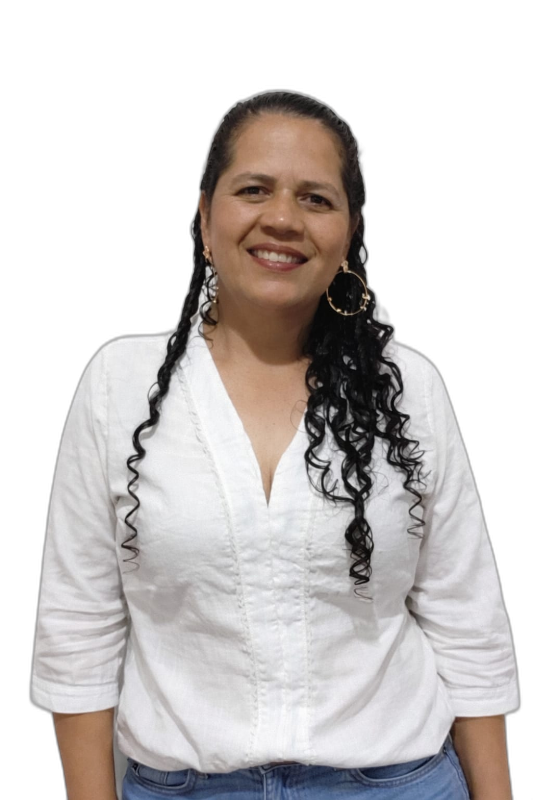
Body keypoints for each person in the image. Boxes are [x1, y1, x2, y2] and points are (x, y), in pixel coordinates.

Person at [29, 89, 520, 800]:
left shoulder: (409, 389)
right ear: (204, 215)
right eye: (254, 189)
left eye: (315, 199)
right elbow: (78, 629)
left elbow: (466, 622)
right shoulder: (118, 385)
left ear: (349, 233)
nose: (283, 218)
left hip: (399, 783)